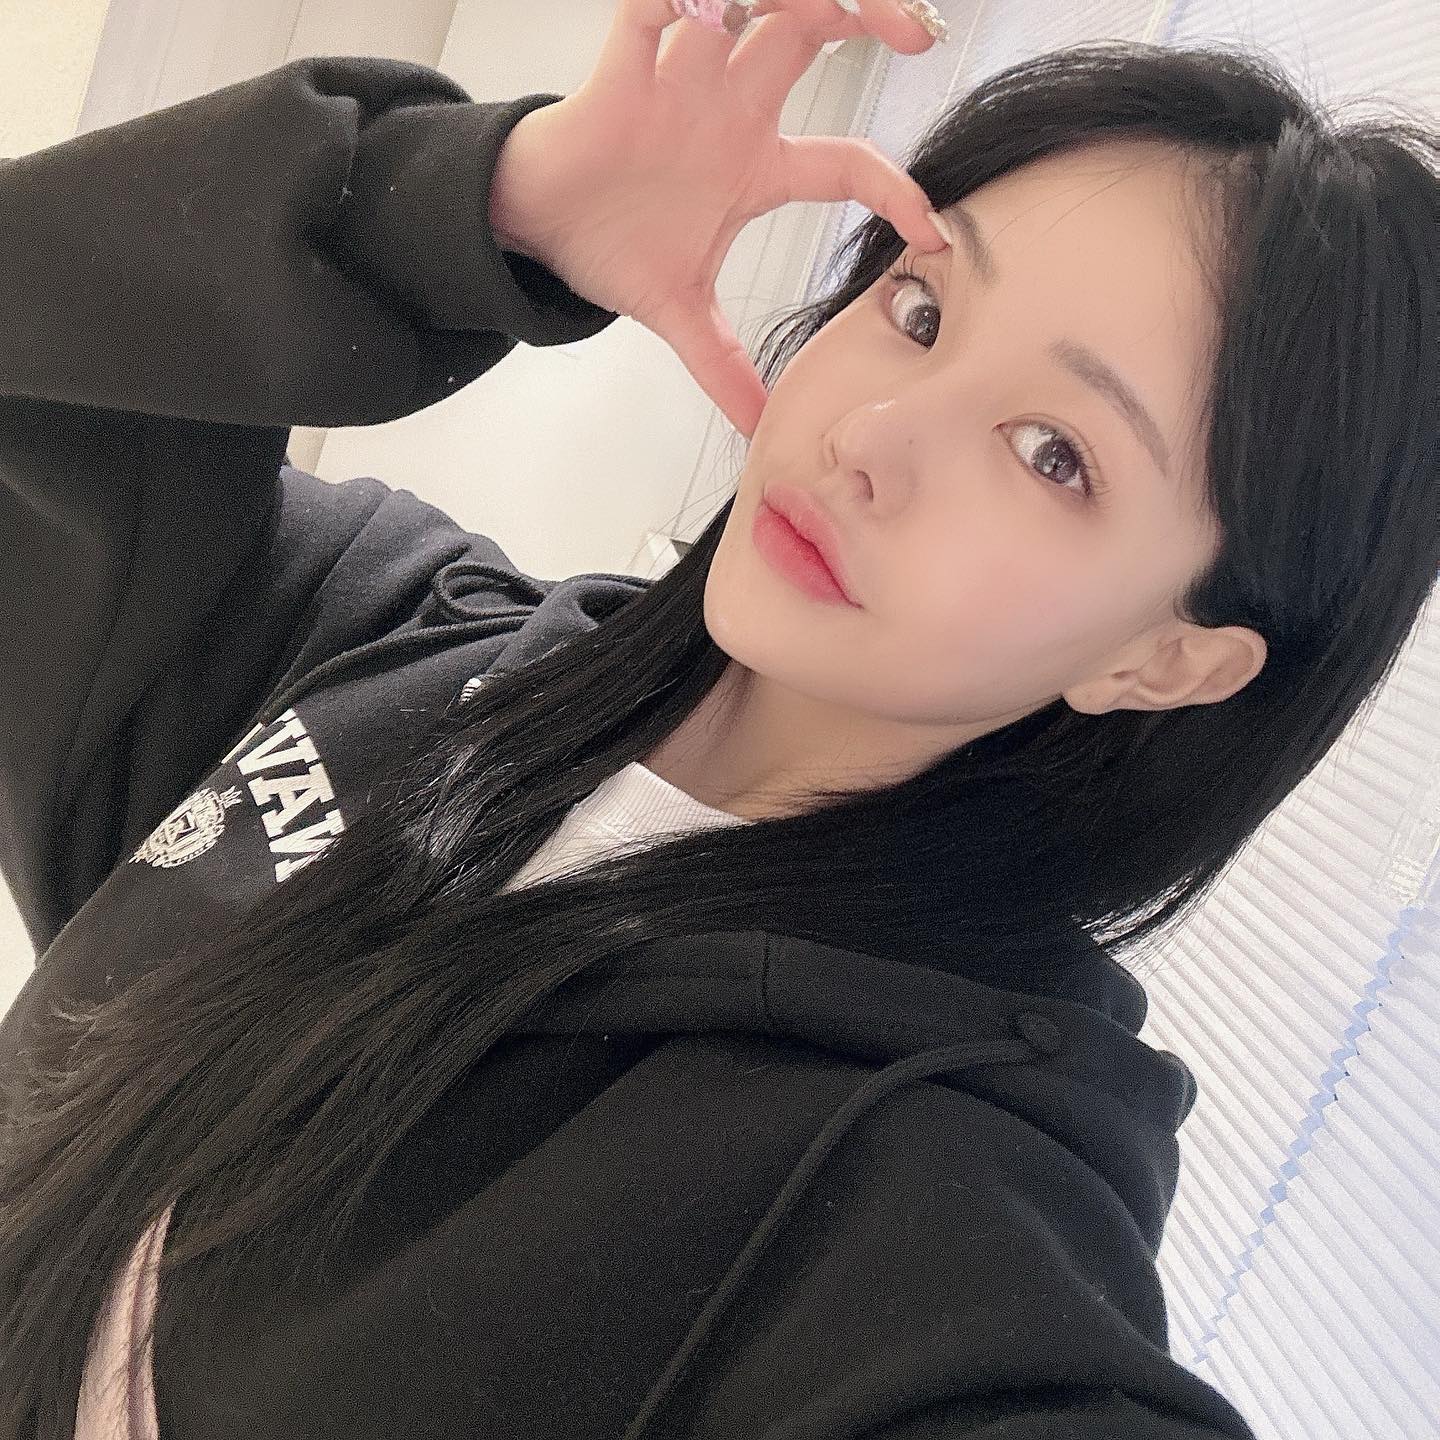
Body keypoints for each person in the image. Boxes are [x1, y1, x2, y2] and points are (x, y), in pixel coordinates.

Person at [0, 1, 1433, 1436]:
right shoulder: (392, 634)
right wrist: (482, 203)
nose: (870, 437)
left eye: (1053, 453)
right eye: (922, 309)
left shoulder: (927, 1191)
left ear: (1163, 661)